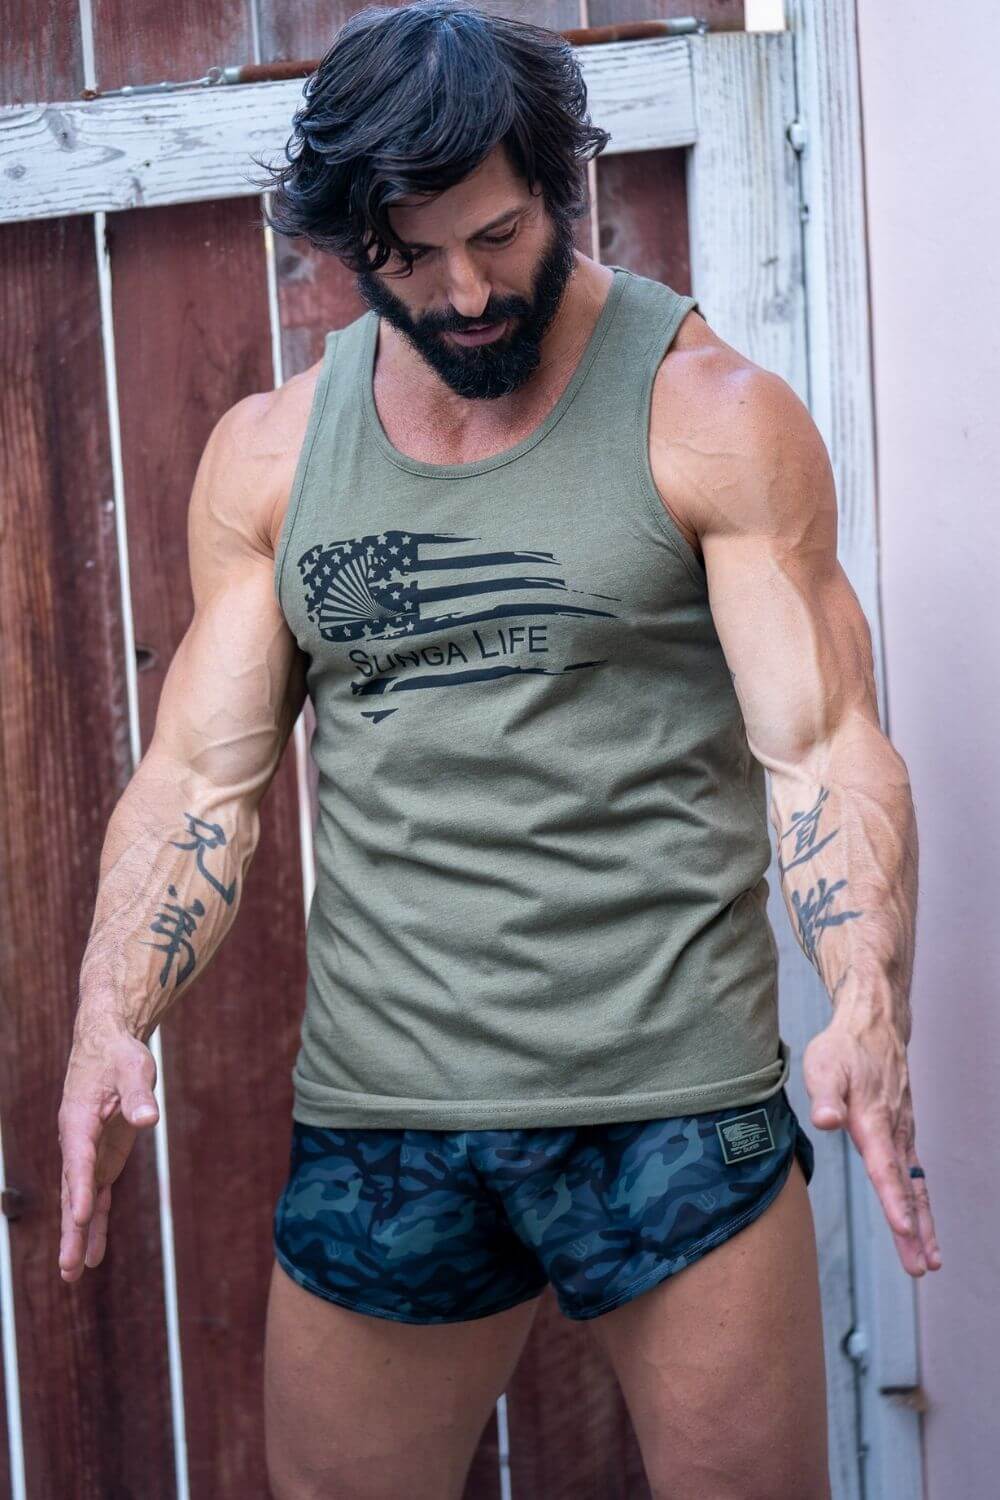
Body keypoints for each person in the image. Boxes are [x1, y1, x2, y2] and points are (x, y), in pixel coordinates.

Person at [57, 4, 941, 1497]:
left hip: (670, 1108)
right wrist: (106, 1014)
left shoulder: (711, 417)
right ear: (351, 237)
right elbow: (200, 782)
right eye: (411, 254)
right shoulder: (274, 454)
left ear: (558, 187)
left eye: (499, 235)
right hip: (387, 1110)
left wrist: (866, 1000)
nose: (465, 291)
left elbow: (824, 747)